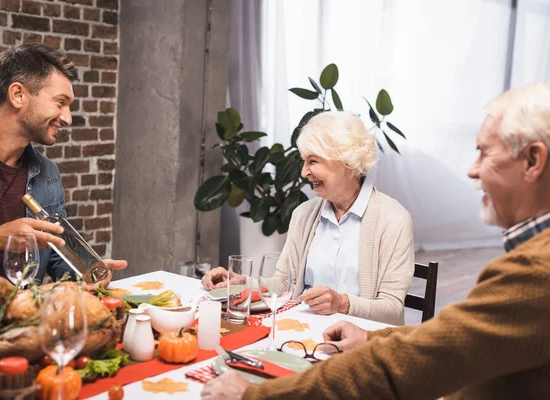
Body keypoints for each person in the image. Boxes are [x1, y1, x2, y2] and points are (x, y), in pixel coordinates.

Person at [200, 82, 550, 400]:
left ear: (533, 160)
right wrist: (245, 284)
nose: (472, 170)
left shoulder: (534, 270)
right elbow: (435, 344)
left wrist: (259, 396)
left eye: (484, 153)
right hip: (308, 342)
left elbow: (413, 358)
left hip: (331, 359)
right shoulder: (305, 214)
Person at [0, 44, 127, 315]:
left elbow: (57, 259)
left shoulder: (48, 173)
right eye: (60, 103)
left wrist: (85, 274)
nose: (67, 118)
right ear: (18, 94)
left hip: (25, 327)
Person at [202, 111, 414, 325]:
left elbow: (392, 310)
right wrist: (242, 283)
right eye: (304, 161)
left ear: (347, 162)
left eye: (313, 161)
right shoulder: (303, 214)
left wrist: (342, 304)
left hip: (358, 344)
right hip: (301, 331)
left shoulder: (393, 219)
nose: (304, 172)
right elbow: (283, 284)